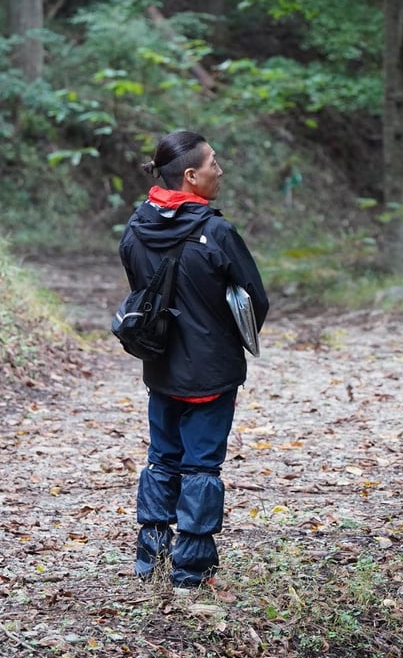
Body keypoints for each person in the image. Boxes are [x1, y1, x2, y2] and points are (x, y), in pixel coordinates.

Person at [118, 130, 269, 591]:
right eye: (213, 164)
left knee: (162, 459)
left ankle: (151, 560)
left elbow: (140, 286)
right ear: (191, 175)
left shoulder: (136, 226)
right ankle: (191, 571)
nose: (219, 171)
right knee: (201, 468)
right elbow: (255, 301)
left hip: (160, 366)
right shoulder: (218, 232)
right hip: (211, 373)